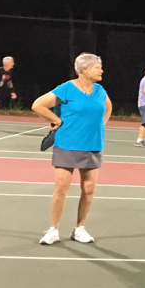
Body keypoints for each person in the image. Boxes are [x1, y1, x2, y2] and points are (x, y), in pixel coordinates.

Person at [31, 53, 111, 245]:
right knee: (61, 188)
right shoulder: (67, 88)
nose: (101, 70)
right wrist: (56, 120)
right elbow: (38, 105)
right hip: (67, 144)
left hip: (92, 146)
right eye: (97, 67)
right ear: (84, 69)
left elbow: (107, 108)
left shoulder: (100, 90)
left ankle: (80, 228)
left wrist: (100, 126)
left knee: (89, 188)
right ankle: (53, 230)